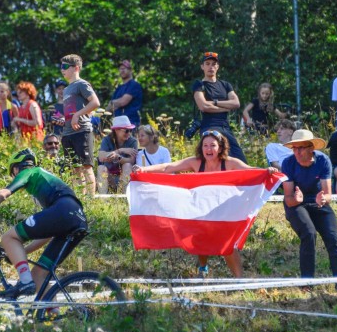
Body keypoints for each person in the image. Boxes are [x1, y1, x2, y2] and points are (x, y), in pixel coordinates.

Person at [134, 129, 271, 277]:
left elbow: (251, 171)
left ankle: (239, 279)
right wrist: (144, 170)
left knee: (227, 243)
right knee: (199, 237)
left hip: (224, 209)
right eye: (205, 145)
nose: (208, 149)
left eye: (212, 145)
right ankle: (203, 268)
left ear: (220, 147)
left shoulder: (230, 163)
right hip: (202, 208)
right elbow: (169, 167)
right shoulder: (196, 162)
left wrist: (267, 171)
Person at [0, 149, 89, 299]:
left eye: (13, 174)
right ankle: (52, 317)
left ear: (16, 168)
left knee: (8, 238)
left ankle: (25, 281)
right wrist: (20, 252)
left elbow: (3, 194)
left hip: (64, 210)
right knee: (38, 276)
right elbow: (48, 233)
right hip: (78, 218)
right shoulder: (44, 179)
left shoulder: (29, 172)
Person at [280, 129, 337, 293]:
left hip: (318, 203)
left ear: (311, 148)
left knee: (334, 238)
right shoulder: (288, 163)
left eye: (301, 148)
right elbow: (288, 198)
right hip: (296, 205)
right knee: (309, 233)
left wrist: (324, 199)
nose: (297, 152)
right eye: (294, 148)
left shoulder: (323, 161)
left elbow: (328, 194)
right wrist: (296, 200)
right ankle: (306, 283)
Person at [192, 51, 247, 162]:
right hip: (209, 127)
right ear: (202, 66)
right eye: (207, 64)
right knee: (216, 159)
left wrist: (214, 102)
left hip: (225, 127)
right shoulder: (199, 84)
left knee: (239, 159)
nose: (210, 67)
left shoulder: (225, 85)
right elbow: (203, 106)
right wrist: (227, 107)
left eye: (213, 64)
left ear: (217, 66)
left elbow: (236, 103)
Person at [59, 54, 101, 195]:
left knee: (86, 166)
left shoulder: (82, 84)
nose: (62, 70)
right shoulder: (66, 89)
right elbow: (71, 111)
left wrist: (77, 115)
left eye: (65, 66)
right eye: (61, 67)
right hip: (68, 133)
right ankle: (81, 201)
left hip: (82, 131)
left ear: (76, 68)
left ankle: (90, 200)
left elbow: (95, 102)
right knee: (75, 168)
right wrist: (62, 119)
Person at [98, 115, 138, 193]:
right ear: (116, 130)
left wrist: (118, 158)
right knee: (101, 168)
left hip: (125, 176)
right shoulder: (107, 140)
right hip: (109, 177)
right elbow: (101, 157)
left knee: (127, 165)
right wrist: (120, 151)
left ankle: (124, 196)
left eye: (130, 130)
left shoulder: (133, 141)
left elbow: (132, 161)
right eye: (126, 131)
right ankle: (103, 199)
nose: (129, 133)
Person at [107, 59, 143, 127]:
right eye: (120, 68)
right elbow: (109, 107)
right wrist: (113, 103)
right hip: (118, 123)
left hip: (131, 122)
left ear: (130, 70)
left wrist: (113, 103)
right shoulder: (119, 88)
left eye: (125, 68)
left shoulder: (134, 85)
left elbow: (123, 102)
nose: (122, 70)